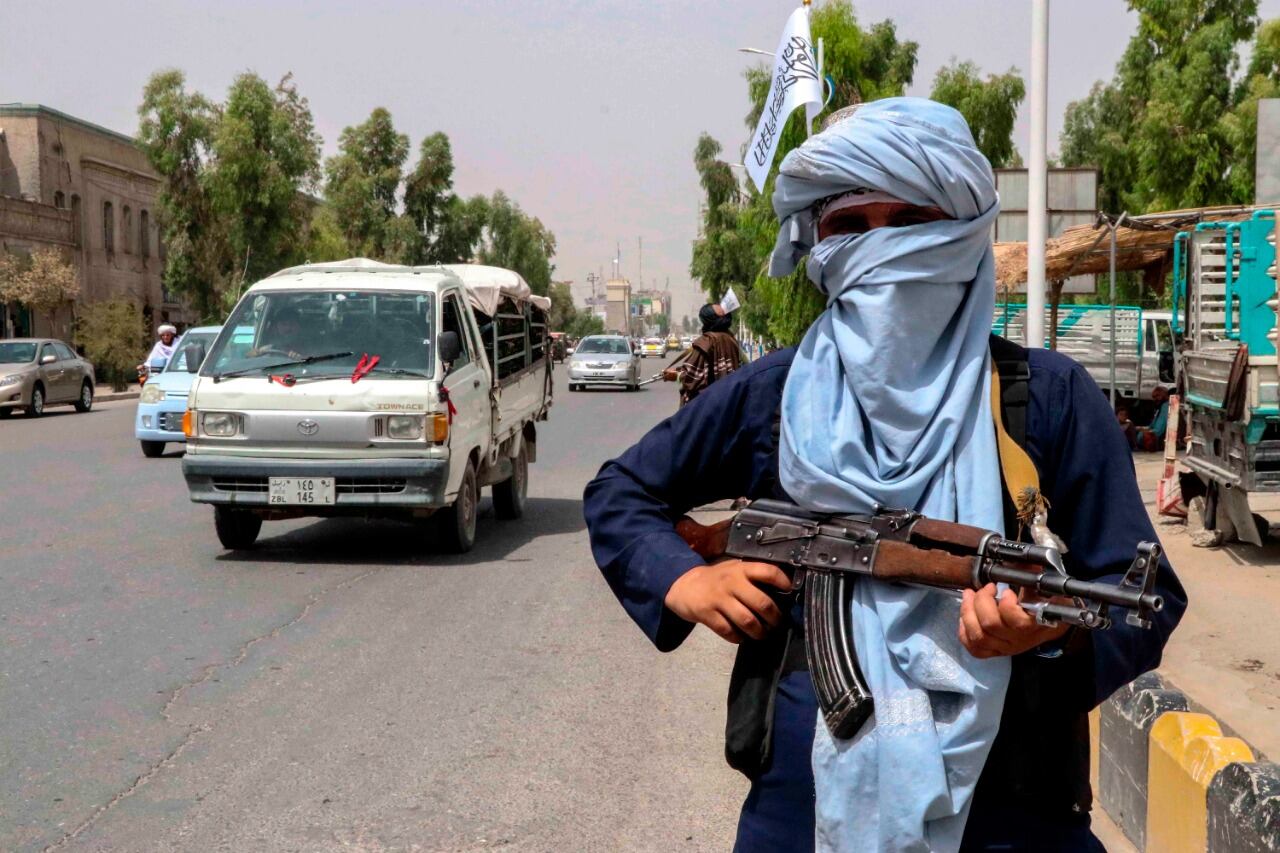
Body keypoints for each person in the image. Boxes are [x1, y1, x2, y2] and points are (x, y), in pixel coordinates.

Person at [584, 98, 1186, 852]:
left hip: (1012, 817)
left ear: (962, 233)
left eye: (911, 222)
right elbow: (621, 492)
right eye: (850, 227)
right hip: (800, 822)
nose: (884, 250)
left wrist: (1042, 637)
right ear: (819, 243)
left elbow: (1146, 598)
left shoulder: (1048, 400)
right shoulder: (777, 393)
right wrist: (686, 579)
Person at [661, 302, 742, 406]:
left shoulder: (706, 341)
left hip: (706, 408)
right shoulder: (731, 339)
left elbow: (691, 377)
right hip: (729, 402)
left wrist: (675, 375)